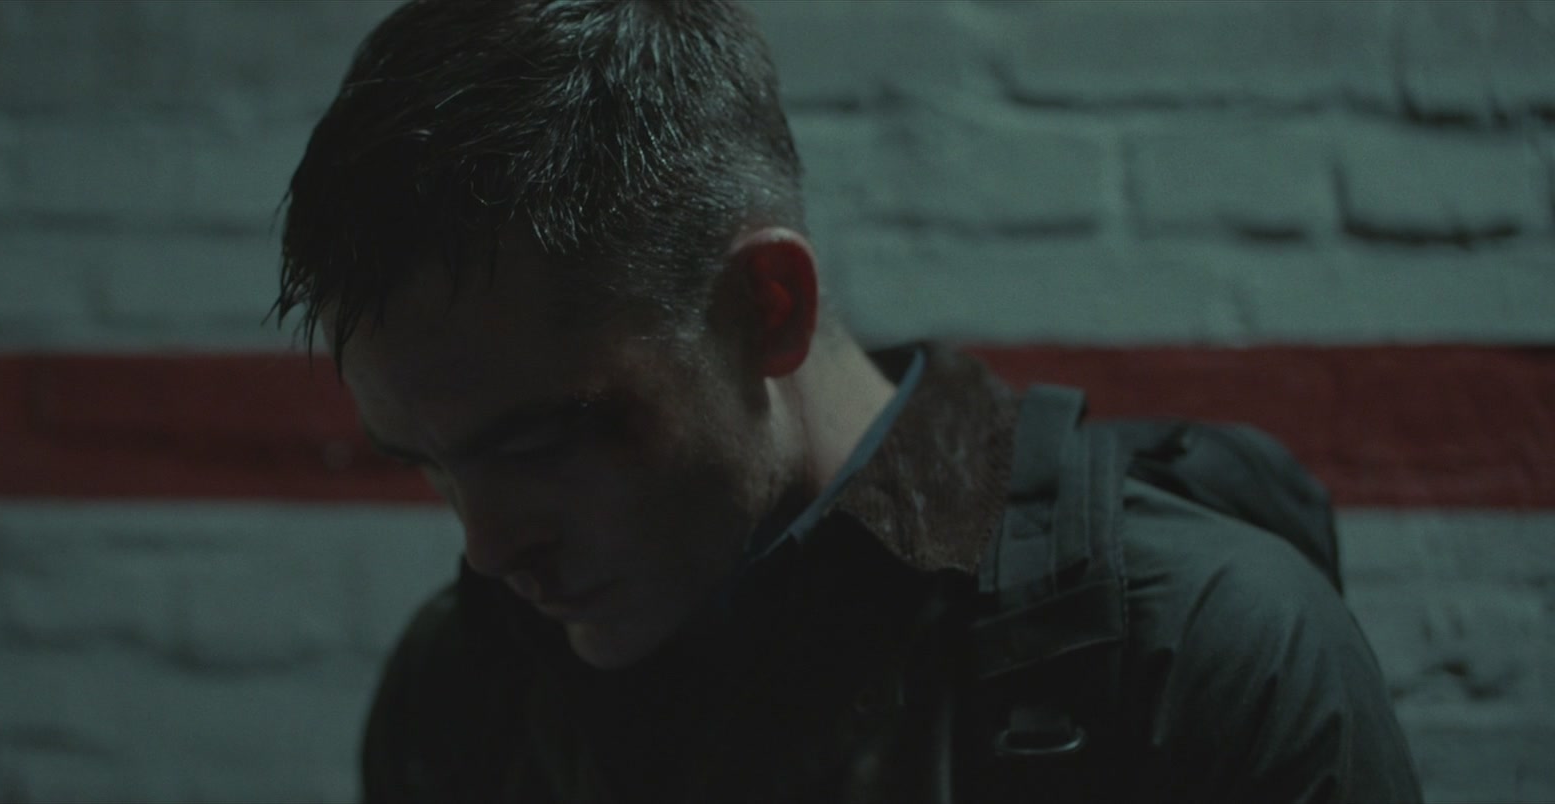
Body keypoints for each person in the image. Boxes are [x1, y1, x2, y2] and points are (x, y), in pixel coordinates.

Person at [271, 1, 1422, 801]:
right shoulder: (461, 690)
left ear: (765, 307)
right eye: (428, 462)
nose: (486, 548)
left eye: (543, 439)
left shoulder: (1194, 656)